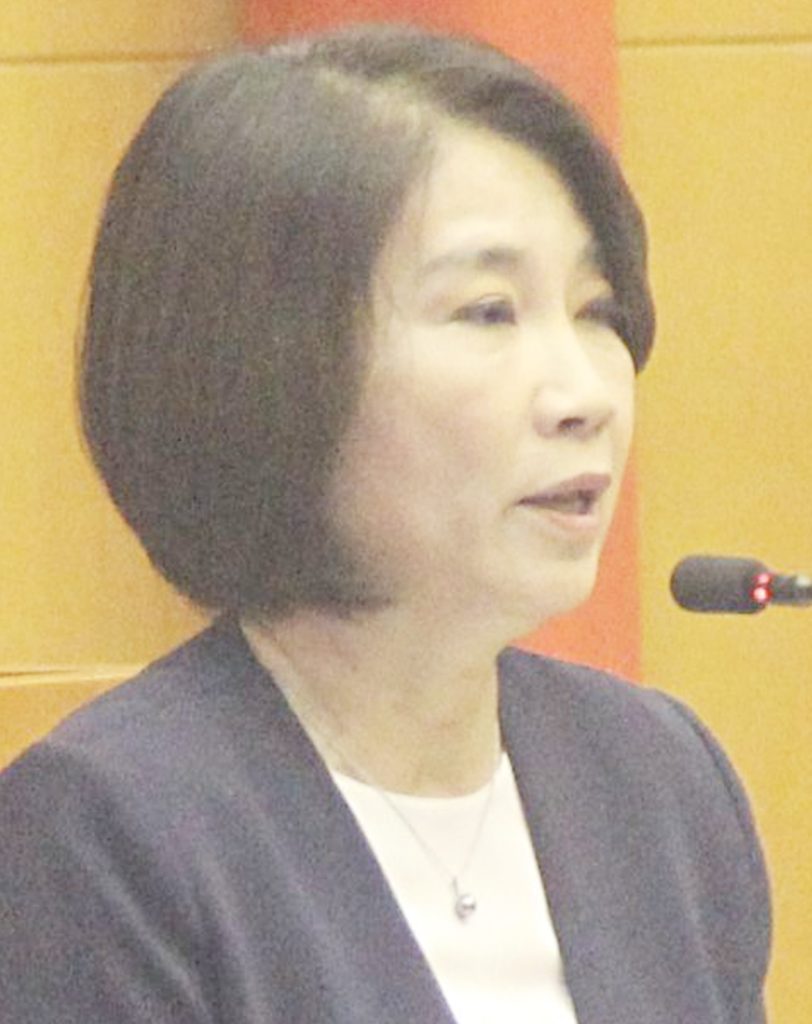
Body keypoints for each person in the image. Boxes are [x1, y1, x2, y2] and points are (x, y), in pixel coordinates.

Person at [0, 23, 770, 1023]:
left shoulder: (653, 775)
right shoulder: (110, 830)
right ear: (264, 365)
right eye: (488, 312)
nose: (584, 393)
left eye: (595, 310)